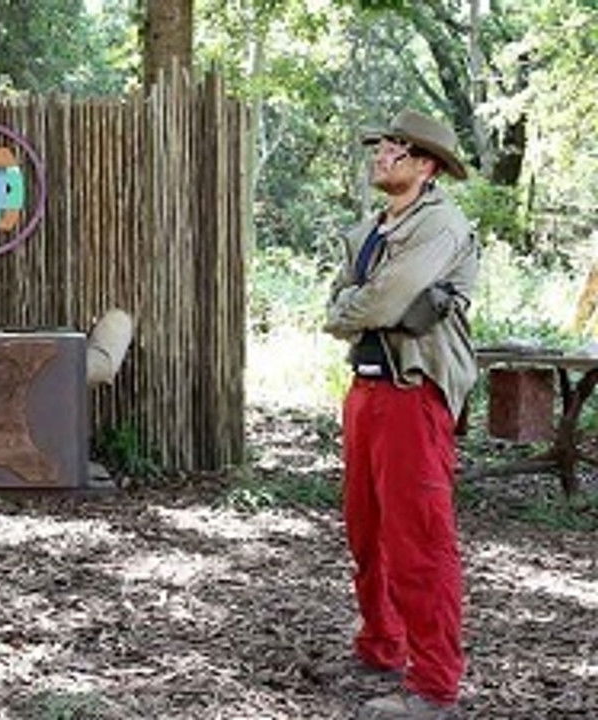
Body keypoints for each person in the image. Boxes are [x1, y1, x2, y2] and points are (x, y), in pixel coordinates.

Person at [323, 109, 478, 720]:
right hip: (366, 390)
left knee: (420, 540)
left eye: (395, 148)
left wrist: (354, 307)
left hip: (413, 394)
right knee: (366, 530)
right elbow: (339, 302)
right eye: (381, 146)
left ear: (426, 164)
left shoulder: (440, 224)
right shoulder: (371, 230)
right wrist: (355, 308)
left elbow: (388, 298)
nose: (380, 155)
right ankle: (381, 648)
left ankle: (435, 686)